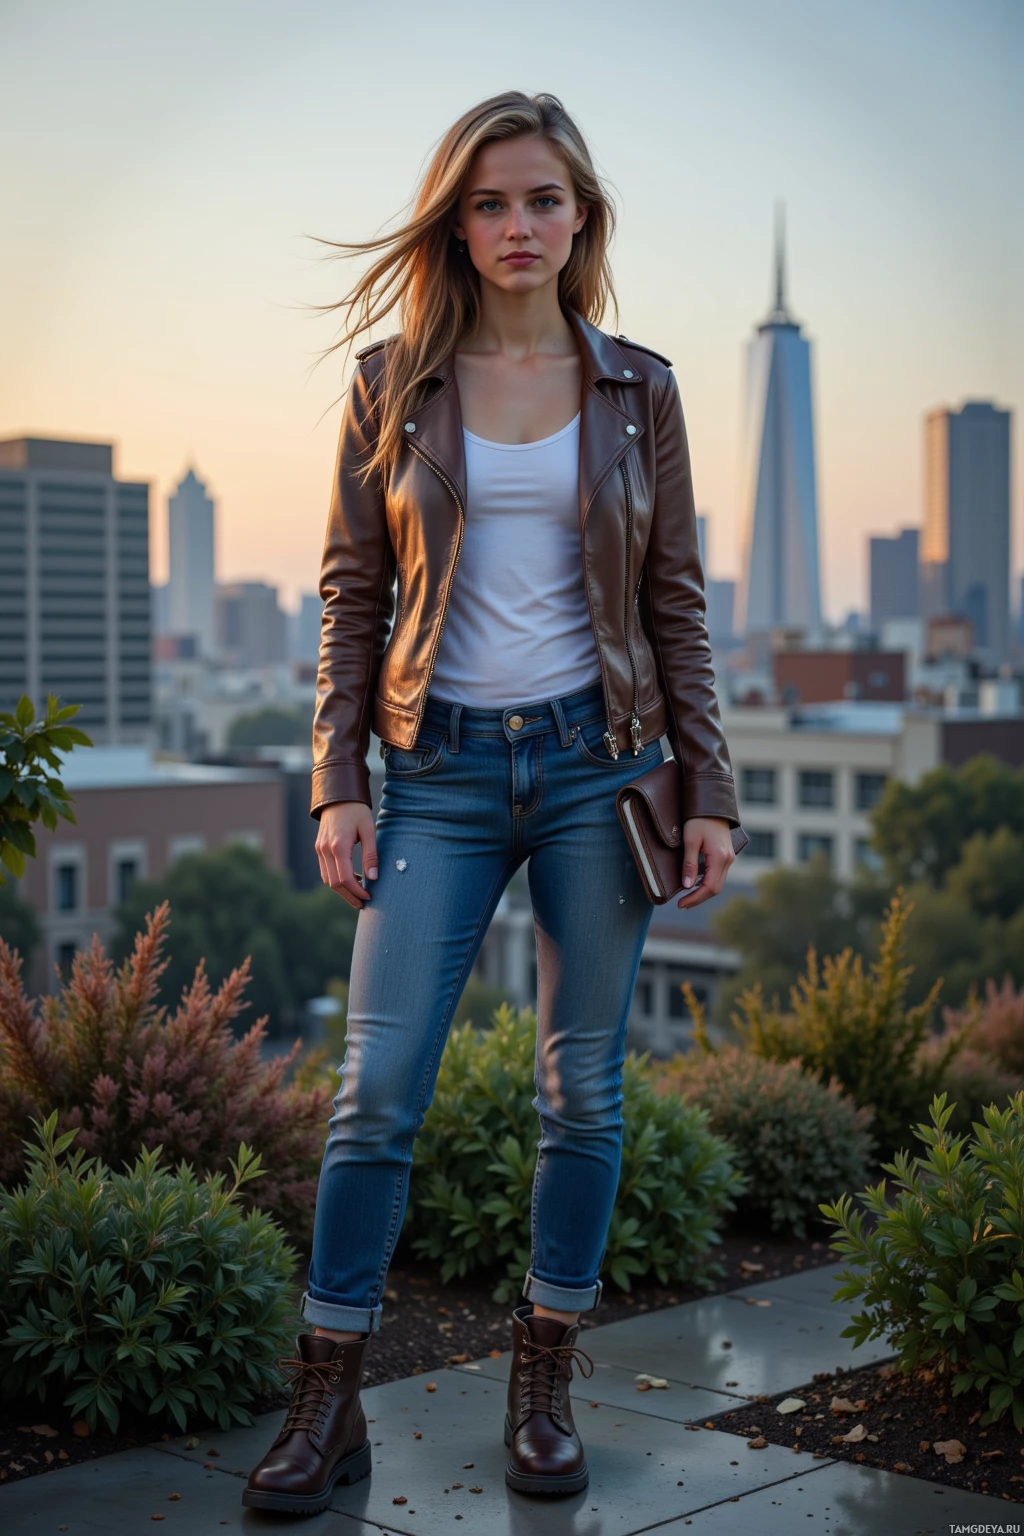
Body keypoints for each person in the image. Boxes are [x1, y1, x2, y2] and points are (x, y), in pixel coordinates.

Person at [244, 89, 739, 1517]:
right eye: (490, 202)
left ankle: (544, 1381)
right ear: (457, 223)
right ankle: (326, 1403)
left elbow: (676, 600)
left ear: (581, 218)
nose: (517, 226)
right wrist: (339, 780)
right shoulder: (393, 381)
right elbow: (352, 594)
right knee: (372, 1094)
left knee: (581, 1090)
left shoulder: (640, 387)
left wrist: (706, 786)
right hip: (440, 774)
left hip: (603, 768)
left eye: (542, 200)